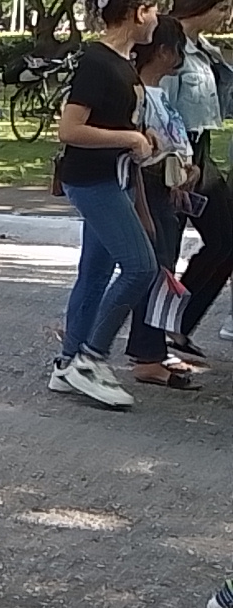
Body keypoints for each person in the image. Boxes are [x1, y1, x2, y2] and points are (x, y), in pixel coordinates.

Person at [47, 0, 162, 409]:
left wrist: (141, 138)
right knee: (140, 266)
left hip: (111, 177)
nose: (156, 19)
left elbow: (114, 121)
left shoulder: (119, 62)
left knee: (94, 274)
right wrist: (129, 138)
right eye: (153, 10)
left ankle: (67, 362)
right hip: (92, 181)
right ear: (138, 11)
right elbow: (70, 129)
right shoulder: (97, 62)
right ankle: (89, 359)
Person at [145, 0, 233, 352]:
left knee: (226, 240)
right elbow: (159, 106)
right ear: (201, 6)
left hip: (202, 150)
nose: (226, 16)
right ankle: (152, 340)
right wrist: (178, 162)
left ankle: (180, 322)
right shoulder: (172, 47)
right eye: (222, 8)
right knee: (166, 248)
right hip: (176, 153)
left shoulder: (204, 48)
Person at [121, 21, 197, 388]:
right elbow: (139, 156)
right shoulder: (139, 95)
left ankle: (151, 348)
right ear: (165, 51)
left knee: (163, 268)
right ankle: (147, 355)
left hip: (168, 190)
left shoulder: (159, 93)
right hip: (149, 190)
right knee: (155, 271)